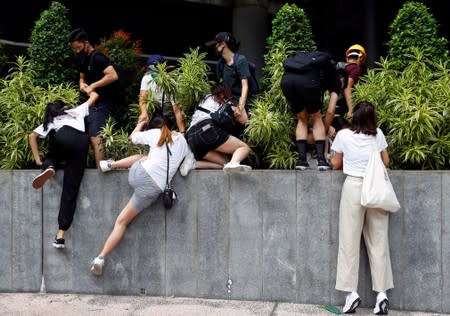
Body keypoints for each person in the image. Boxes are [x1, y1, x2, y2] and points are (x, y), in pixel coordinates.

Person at [90, 115, 189, 276]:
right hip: (154, 189)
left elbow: (132, 138)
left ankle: (110, 164)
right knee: (122, 222)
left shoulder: (155, 133)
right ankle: (100, 258)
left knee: (143, 157)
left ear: (155, 126)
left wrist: (140, 123)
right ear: (170, 126)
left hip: (139, 175)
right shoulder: (183, 142)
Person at [329, 101, 392, 315]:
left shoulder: (343, 135)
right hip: (376, 189)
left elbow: (336, 164)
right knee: (379, 240)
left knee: (349, 241)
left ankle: (351, 294)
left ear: (354, 115)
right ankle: (381, 294)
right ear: (372, 117)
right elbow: (386, 161)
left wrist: (332, 157)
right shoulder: (379, 134)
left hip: (354, 188)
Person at [29, 91, 99, 249]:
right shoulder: (77, 110)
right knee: (70, 189)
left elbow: (31, 136)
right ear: (66, 106)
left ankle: (50, 166)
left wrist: (37, 160)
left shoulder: (54, 118)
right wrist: (86, 87)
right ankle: (60, 234)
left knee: (51, 157)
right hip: (82, 141)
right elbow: (94, 96)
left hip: (64, 136)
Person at [280, 51, 341, 170]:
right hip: (308, 82)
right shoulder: (335, 79)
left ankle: (301, 161)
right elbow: (330, 111)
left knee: (302, 119)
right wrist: (326, 129)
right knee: (316, 118)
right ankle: (321, 161)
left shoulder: (309, 62)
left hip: (286, 81)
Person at [69, 28, 119, 169]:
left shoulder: (98, 57)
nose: (77, 51)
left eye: (79, 47)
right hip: (91, 103)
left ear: (86, 42)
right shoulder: (83, 59)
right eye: (75, 49)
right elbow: (82, 77)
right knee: (87, 136)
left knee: (95, 135)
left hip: (103, 103)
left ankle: (100, 170)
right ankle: (97, 166)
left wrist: (93, 86)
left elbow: (113, 75)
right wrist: (82, 85)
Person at [179, 82, 252, 176]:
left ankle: (194, 164)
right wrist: (242, 102)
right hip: (207, 130)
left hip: (191, 138)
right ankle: (234, 164)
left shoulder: (205, 98)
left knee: (224, 164)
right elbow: (245, 121)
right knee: (244, 148)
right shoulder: (227, 102)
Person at [205, 32, 253, 127]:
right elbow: (222, 85)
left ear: (223, 45)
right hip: (229, 99)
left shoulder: (240, 60)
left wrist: (240, 106)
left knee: (244, 121)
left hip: (241, 99)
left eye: (216, 44)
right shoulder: (220, 64)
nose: (215, 47)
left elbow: (245, 86)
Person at [138, 54, 185, 132]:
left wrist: (182, 132)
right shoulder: (146, 78)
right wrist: (144, 113)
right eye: (151, 71)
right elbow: (142, 99)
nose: (152, 74)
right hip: (151, 116)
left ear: (163, 68)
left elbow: (177, 111)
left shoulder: (170, 83)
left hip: (166, 119)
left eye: (155, 71)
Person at [343, 44, 366, 117]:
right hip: (343, 106)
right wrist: (351, 110)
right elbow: (347, 86)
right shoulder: (356, 69)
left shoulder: (344, 67)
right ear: (361, 58)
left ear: (347, 58)